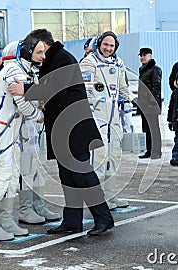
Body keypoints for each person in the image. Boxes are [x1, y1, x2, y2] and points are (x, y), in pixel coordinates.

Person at [13, 28, 114, 236]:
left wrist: (26, 90)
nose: (33, 52)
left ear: (44, 44)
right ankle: (72, 220)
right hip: (62, 128)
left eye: (35, 47)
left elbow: (58, 88)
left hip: (74, 127)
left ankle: (103, 217)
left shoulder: (63, 58)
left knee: (83, 175)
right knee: (68, 176)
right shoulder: (52, 59)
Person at [0, 37, 44, 241]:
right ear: (24, 52)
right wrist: (39, 115)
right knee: (1, 174)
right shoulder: (14, 70)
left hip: (9, 129)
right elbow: (23, 103)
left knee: (13, 175)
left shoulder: (25, 71)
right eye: (39, 52)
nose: (43, 56)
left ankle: (6, 220)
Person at [79, 31, 132, 210]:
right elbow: (85, 89)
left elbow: (123, 86)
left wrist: (132, 101)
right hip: (97, 114)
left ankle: (110, 196)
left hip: (113, 116)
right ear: (99, 44)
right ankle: (98, 199)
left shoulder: (118, 63)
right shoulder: (89, 62)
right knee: (99, 158)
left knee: (114, 156)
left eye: (112, 45)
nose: (108, 48)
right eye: (105, 45)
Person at [138, 47, 162, 159]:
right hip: (143, 105)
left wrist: (153, 103)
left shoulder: (154, 69)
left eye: (144, 55)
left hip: (151, 105)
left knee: (153, 129)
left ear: (150, 56)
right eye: (141, 55)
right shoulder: (142, 69)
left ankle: (156, 151)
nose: (142, 57)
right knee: (146, 129)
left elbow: (156, 87)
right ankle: (149, 150)